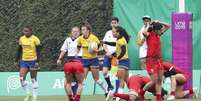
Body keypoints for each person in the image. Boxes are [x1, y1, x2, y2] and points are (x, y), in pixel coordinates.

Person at [76, 23, 108, 96]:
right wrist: (77, 53)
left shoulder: (94, 38)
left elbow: (101, 47)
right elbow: (78, 47)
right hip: (84, 60)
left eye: (84, 29)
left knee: (96, 79)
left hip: (93, 60)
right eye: (82, 30)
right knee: (82, 79)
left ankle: (106, 91)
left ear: (88, 30)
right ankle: (77, 96)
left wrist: (95, 50)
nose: (82, 31)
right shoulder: (80, 39)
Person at [141, 21, 170, 101]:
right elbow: (144, 32)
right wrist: (149, 25)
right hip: (150, 60)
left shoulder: (158, 35)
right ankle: (141, 92)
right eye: (160, 30)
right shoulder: (149, 35)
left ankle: (158, 97)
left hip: (159, 61)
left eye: (161, 30)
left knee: (160, 80)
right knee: (154, 81)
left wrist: (158, 21)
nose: (161, 31)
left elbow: (168, 25)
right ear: (155, 30)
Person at [16, 26, 41, 101]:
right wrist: (16, 59)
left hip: (33, 61)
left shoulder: (35, 39)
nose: (25, 32)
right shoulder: (21, 39)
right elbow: (19, 50)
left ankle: (34, 97)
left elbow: (39, 52)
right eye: (24, 31)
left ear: (31, 31)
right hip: (24, 61)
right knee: (21, 78)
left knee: (33, 79)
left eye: (26, 31)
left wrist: (37, 62)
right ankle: (28, 94)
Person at [57, 26, 82, 98]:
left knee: (77, 80)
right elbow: (64, 50)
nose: (75, 33)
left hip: (79, 60)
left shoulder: (81, 39)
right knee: (67, 83)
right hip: (69, 61)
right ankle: (72, 97)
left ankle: (75, 96)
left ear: (79, 32)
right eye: (74, 31)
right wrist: (60, 58)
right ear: (71, 32)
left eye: (77, 31)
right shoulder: (67, 40)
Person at [102, 17, 119, 91]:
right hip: (107, 55)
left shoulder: (120, 33)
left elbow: (120, 45)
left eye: (115, 23)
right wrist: (107, 52)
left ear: (118, 23)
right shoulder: (107, 33)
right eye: (112, 23)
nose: (114, 24)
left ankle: (117, 92)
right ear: (110, 24)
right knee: (104, 72)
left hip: (116, 56)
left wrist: (111, 52)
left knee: (116, 74)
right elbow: (104, 44)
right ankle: (109, 85)